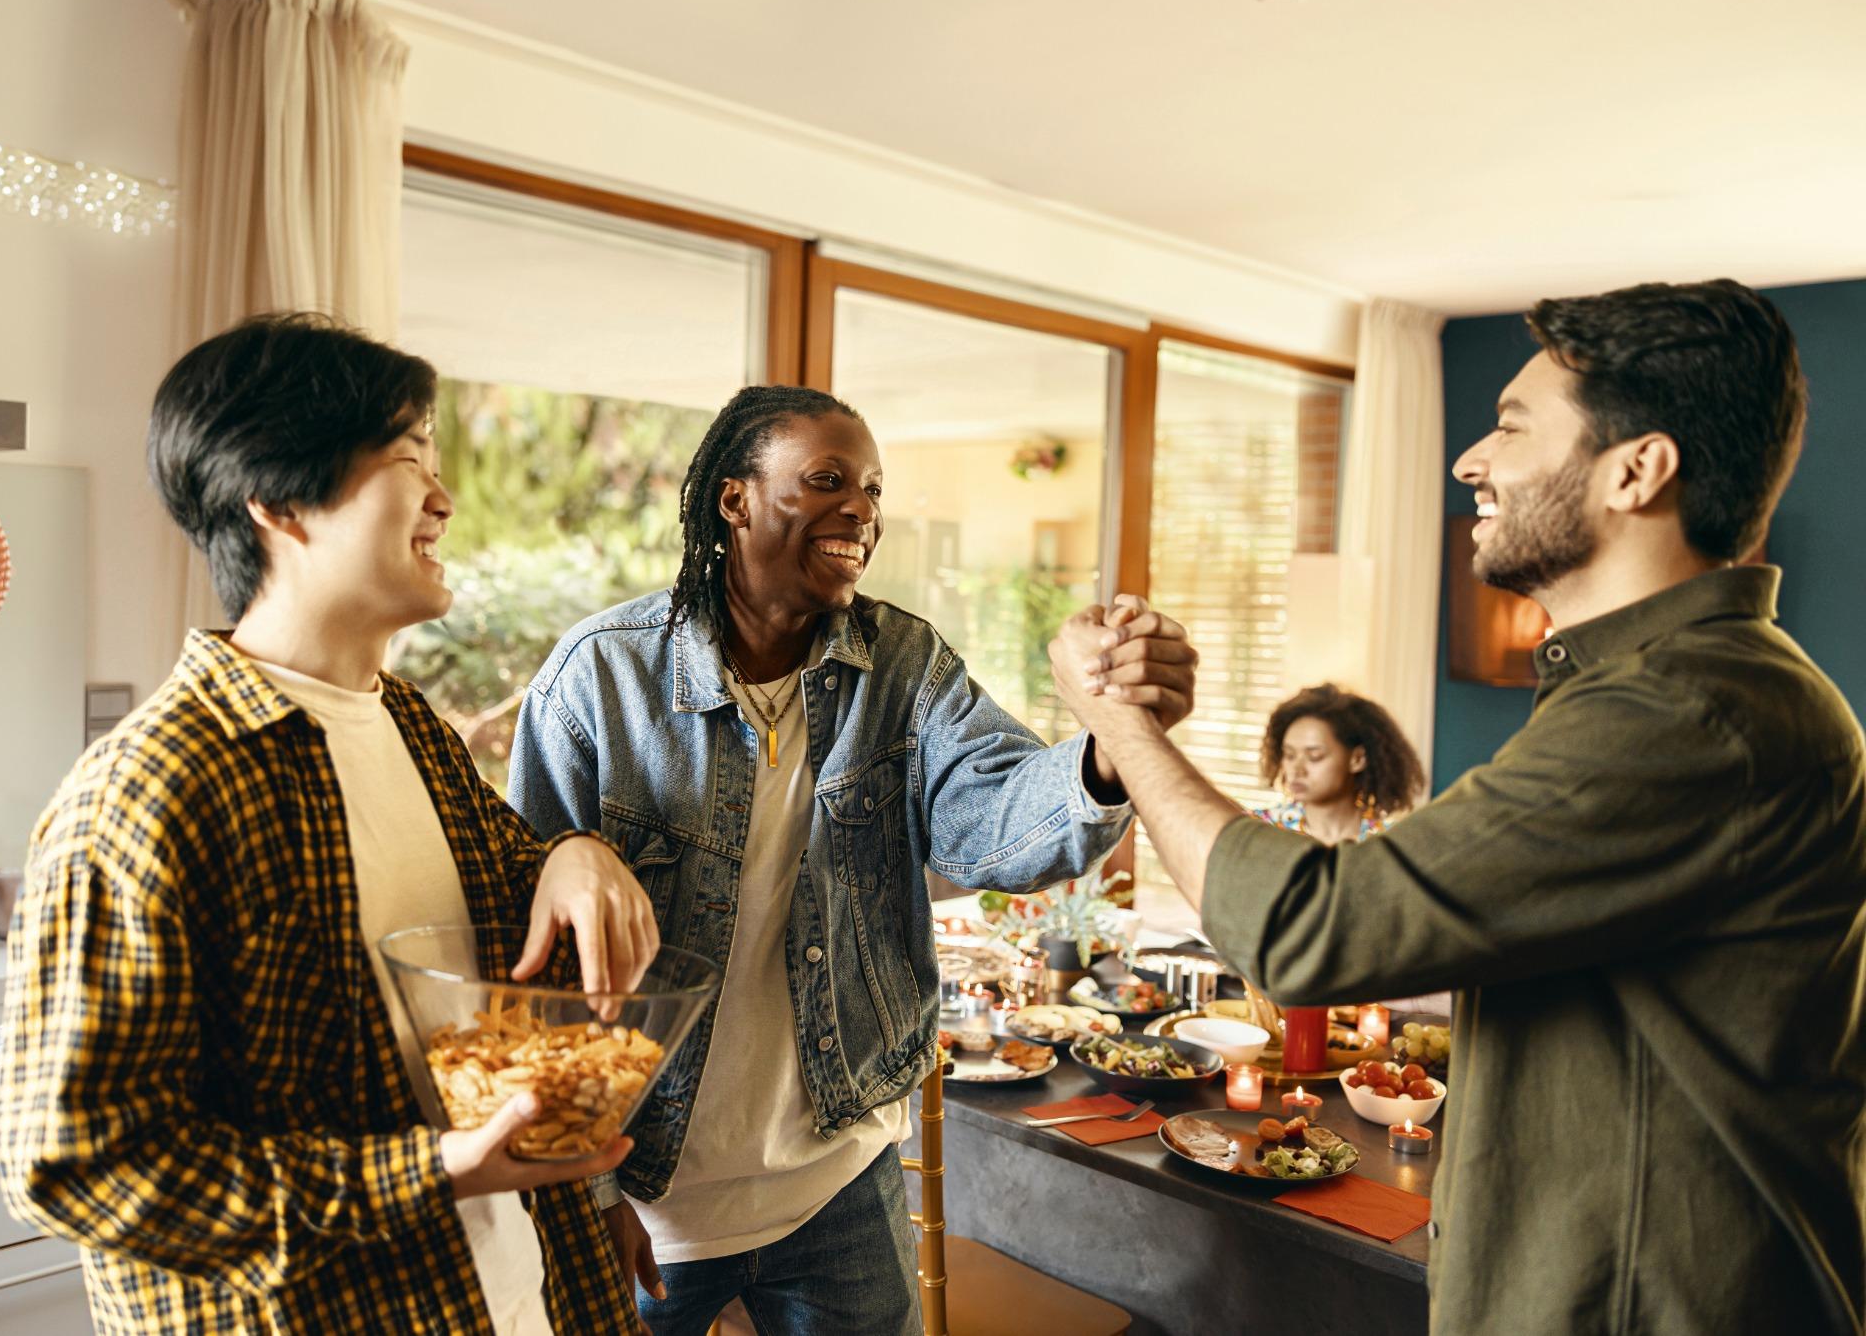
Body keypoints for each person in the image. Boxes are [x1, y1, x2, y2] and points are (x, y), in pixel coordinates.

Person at [1050, 279, 1864, 1333]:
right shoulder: (1654, 691)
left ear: (1634, 470)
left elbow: (1309, 930)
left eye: (1512, 425)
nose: (1469, 458)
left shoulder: (1688, 709)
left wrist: (1118, 723)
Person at [0, 315, 659, 1336]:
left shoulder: (414, 729)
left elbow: (486, 904)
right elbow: (78, 1164)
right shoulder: (149, 791)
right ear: (278, 499)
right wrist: (425, 1172)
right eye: (407, 459)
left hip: (513, 1291)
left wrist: (572, 852)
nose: (443, 498)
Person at [506, 384, 1194, 1334]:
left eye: (872, 488)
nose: (862, 510)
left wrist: (1110, 747)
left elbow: (991, 819)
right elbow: (529, 965)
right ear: (734, 499)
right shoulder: (599, 678)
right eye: (826, 480)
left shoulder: (907, 666)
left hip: (837, 1178)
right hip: (648, 1185)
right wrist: (583, 1195)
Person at [1252, 683, 1425, 844]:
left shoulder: (1389, 843)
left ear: (1357, 759)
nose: (1296, 770)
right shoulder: (1260, 830)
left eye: (1314, 756)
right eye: (1289, 755)